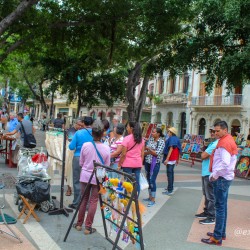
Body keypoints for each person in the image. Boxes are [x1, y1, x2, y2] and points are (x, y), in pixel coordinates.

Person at [201, 121, 238, 246]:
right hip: (225, 178)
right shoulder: (228, 140)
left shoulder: (224, 143)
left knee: (220, 208)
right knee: (223, 207)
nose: (215, 133)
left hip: (221, 178)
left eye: (218, 131)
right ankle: (221, 233)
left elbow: (224, 163)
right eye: (214, 131)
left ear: (225, 130)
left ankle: (217, 237)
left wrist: (214, 175)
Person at [73, 120, 110, 234]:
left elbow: (81, 162)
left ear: (92, 133)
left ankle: (79, 224)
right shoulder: (106, 148)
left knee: (83, 199)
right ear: (102, 133)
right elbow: (107, 166)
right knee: (93, 201)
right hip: (98, 177)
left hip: (85, 175)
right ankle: (88, 227)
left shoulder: (85, 145)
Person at [68, 116, 93, 209]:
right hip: (90, 159)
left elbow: (71, 147)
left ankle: (76, 203)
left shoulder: (78, 133)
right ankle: (86, 205)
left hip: (78, 157)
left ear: (83, 123)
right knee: (88, 181)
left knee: (77, 180)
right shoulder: (95, 133)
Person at [195, 127, 218, 225]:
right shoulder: (212, 143)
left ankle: (211, 216)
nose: (212, 133)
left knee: (210, 196)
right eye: (211, 131)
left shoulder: (215, 144)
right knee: (206, 194)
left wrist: (203, 153)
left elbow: (203, 156)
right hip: (206, 171)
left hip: (210, 172)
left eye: (215, 131)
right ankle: (207, 211)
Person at [118, 121, 145, 195]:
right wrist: (140, 163)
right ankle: (135, 200)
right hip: (137, 164)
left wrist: (119, 164)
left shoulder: (127, 138)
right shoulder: (141, 139)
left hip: (127, 164)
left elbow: (123, 154)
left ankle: (128, 199)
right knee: (136, 183)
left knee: (128, 183)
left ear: (131, 128)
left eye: (127, 127)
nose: (126, 129)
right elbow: (142, 154)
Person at [144, 128, 165, 207]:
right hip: (147, 162)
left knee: (152, 180)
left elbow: (157, 153)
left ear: (158, 134)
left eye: (154, 132)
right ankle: (150, 196)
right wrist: (150, 151)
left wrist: (149, 149)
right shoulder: (150, 140)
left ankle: (153, 199)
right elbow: (146, 152)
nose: (152, 133)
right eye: (152, 132)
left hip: (155, 164)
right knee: (148, 180)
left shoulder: (161, 142)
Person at [65, 118, 85, 196]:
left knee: (78, 174)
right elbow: (68, 143)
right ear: (75, 124)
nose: (80, 126)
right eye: (78, 125)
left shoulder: (83, 132)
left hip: (78, 155)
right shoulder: (69, 131)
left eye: (81, 125)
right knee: (67, 171)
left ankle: (79, 190)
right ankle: (69, 188)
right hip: (70, 153)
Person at [162, 127, 182, 195]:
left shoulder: (171, 139)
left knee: (169, 174)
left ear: (171, 132)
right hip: (174, 158)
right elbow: (179, 149)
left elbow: (171, 148)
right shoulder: (177, 139)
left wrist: (167, 159)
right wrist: (178, 159)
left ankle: (169, 189)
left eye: (168, 132)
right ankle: (170, 187)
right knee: (171, 173)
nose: (168, 133)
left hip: (170, 159)